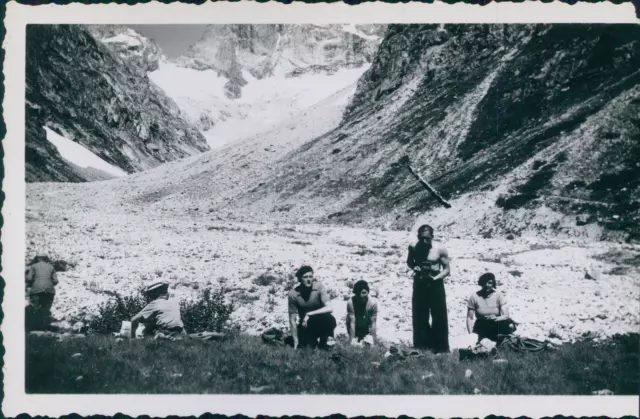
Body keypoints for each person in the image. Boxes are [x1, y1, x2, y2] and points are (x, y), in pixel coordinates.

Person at [406, 224, 451, 353]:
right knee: (419, 314)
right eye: (421, 238)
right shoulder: (413, 247)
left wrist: (435, 279)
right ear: (418, 237)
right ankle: (422, 346)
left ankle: (441, 348)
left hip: (435, 282)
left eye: (427, 238)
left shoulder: (440, 248)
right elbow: (410, 262)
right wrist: (415, 267)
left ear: (432, 236)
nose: (424, 241)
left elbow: (447, 270)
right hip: (420, 282)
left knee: (439, 315)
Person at [287, 265, 336, 349]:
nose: (308, 279)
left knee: (330, 318)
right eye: (305, 277)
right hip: (306, 325)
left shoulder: (319, 287)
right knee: (307, 348)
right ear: (299, 279)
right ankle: (311, 341)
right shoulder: (293, 294)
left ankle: (326, 342)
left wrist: (309, 314)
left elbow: (329, 308)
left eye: (310, 276)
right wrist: (296, 341)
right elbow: (292, 320)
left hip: (322, 322)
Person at [466, 272, 516, 342]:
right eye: (484, 282)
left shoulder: (498, 295)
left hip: (496, 324)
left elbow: (506, 315)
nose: (487, 285)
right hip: (481, 325)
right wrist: (471, 334)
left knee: (509, 325)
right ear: (481, 283)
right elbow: (469, 318)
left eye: (490, 283)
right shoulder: (474, 297)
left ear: (493, 284)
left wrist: (496, 318)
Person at [25, 254, 59, 330]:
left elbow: (29, 278)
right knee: (45, 309)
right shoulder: (51, 267)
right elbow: (56, 281)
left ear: (38, 259)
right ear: (46, 259)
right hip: (49, 291)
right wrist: (48, 283)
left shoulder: (33, 266)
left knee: (35, 308)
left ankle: (34, 327)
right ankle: (44, 327)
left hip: (36, 290)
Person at [346, 280, 378, 346]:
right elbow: (352, 322)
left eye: (363, 293)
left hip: (366, 326)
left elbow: (373, 323)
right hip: (355, 325)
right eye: (358, 293)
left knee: (368, 343)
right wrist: (352, 341)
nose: (361, 296)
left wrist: (373, 342)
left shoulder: (373, 303)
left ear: (367, 292)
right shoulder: (351, 302)